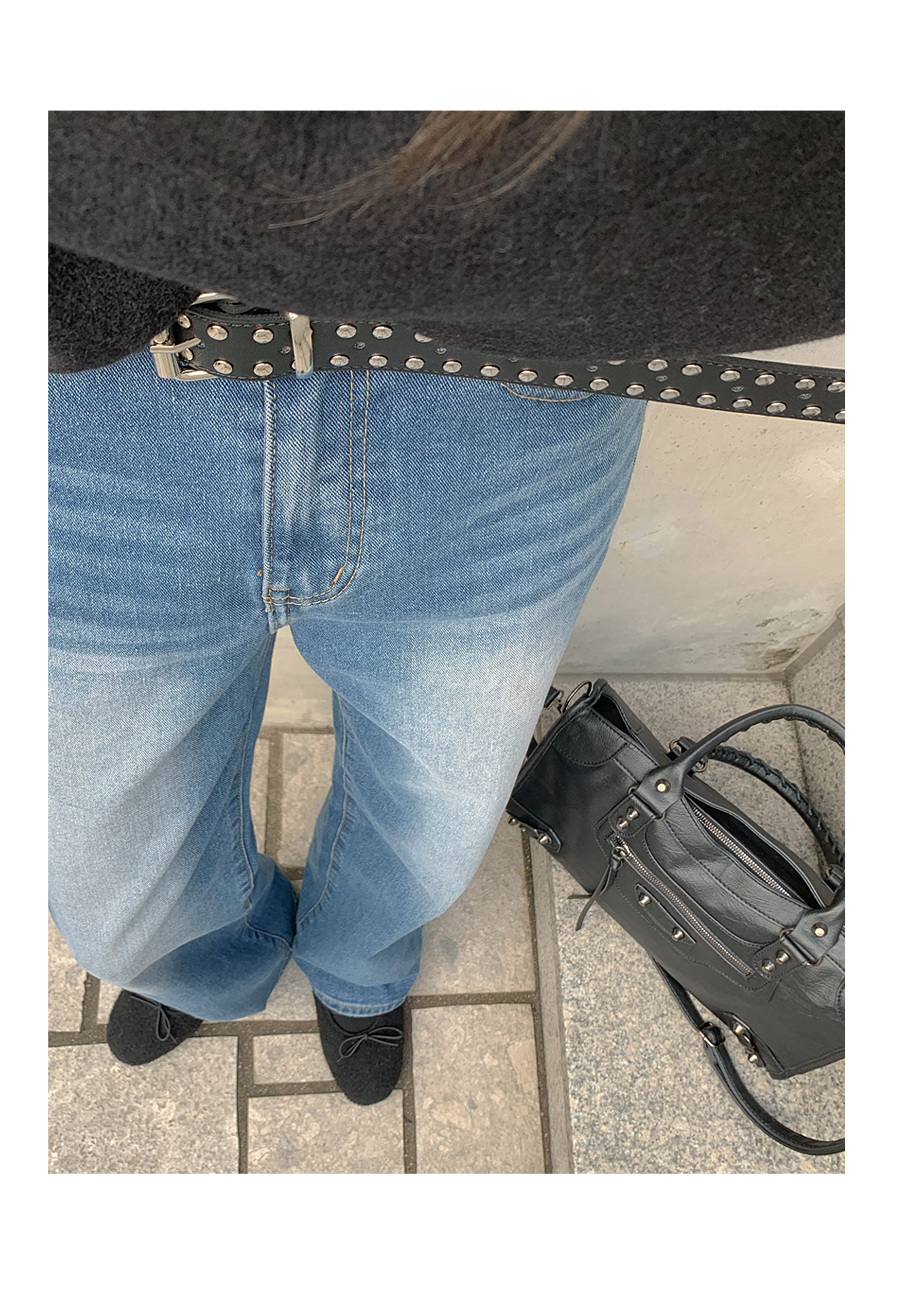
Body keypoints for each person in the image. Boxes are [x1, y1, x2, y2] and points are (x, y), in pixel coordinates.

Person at [48, 111, 844, 1106]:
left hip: (511, 385)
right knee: (109, 871)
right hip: (89, 400)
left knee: (438, 805)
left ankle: (359, 964)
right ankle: (198, 963)